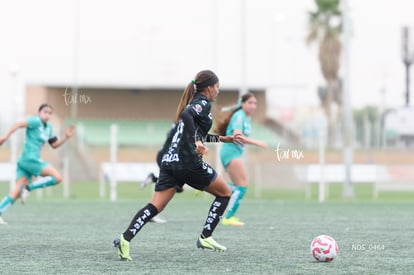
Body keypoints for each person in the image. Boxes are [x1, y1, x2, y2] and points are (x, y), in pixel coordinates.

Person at [113, 70, 243, 261]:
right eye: (217, 87)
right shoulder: (202, 103)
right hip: (187, 163)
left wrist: (224, 138)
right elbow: (187, 115)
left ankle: (125, 238)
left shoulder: (196, 103)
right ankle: (206, 236)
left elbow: (196, 130)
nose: (218, 91)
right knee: (224, 193)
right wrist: (197, 141)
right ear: (208, 88)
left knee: (155, 206)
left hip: (169, 162)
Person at [0, 103, 75, 225]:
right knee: (57, 178)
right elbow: (18, 124)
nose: (47, 115)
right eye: (45, 112)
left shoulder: (49, 128)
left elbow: (54, 145)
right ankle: (28, 187)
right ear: (39, 113)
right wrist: (4, 137)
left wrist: (66, 137)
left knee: (16, 192)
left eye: (50, 113)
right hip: (30, 159)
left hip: (25, 162)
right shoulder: (35, 121)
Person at [215, 92, 267, 227]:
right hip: (230, 152)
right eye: (250, 103)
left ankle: (209, 183)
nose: (253, 106)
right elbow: (237, 136)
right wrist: (257, 143)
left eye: (255, 103)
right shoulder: (239, 117)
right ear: (242, 104)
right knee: (242, 186)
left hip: (234, 153)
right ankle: (228, 217)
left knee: (239, 187)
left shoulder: (245, 117)